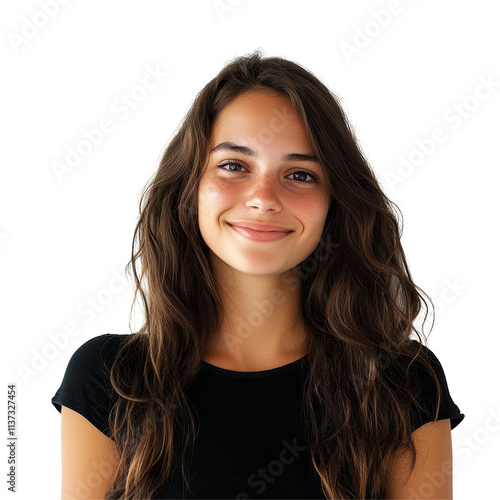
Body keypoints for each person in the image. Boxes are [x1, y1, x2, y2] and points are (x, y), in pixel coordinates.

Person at [52, 50, 465, 499]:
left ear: (336, 203)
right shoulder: (109, 380)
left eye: (301, 174)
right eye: (234, 165)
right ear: (189, 185)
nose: (263, 198)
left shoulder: (401, 381)